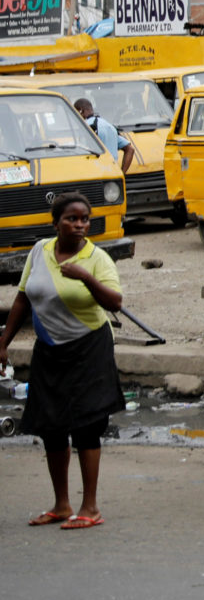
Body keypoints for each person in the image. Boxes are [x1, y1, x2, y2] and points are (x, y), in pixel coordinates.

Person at [0, 193, 126, 529]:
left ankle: (90, 508)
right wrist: (3, 343)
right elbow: (23, 298)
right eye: (72, 219)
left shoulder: (96, 258)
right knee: (51, 428)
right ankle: (61, 504)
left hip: (89, 349)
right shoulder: (40, 251)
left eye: (85, 218)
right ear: (55, 223)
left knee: (86, 426)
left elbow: (115, 301)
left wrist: (85, 277)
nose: (81, 225)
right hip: (49, 350)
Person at [72, 98, 133, 173]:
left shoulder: (86, 127)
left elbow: (83, 153)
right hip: (113, 175)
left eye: (76, 113)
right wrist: (122, 173)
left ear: (80, 111)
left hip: (96, 173)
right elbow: (130, 149)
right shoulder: (110, 126)